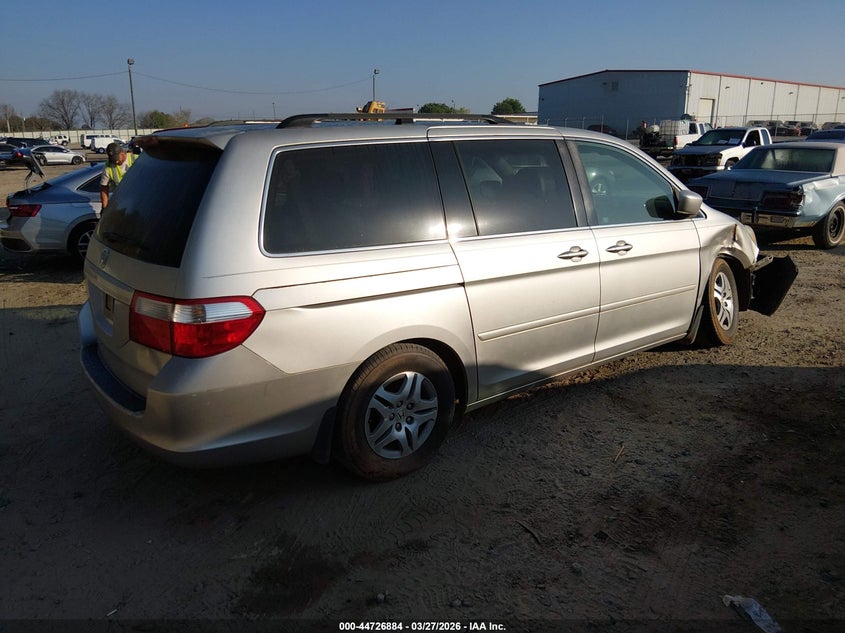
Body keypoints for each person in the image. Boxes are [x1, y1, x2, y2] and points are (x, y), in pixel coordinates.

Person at [99, 142, 135, 208]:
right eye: (113, 159)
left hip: (139, 202)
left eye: (117, 159)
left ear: (123, 153)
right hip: (122, 204)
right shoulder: (108, 166)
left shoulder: (137, 159)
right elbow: (104, 187)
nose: (116, 162)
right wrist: (104, 207)